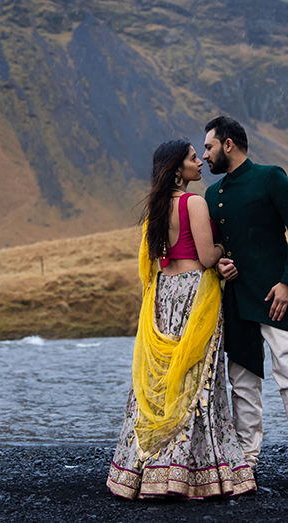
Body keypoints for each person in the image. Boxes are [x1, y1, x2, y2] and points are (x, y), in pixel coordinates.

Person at [107, 139, 256, 499]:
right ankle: (194, 471)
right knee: (196, 376)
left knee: (162, 378)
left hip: (163, 294)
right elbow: (206, 257)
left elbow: (156, 258)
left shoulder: (156, 209)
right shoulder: (194, 203)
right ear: (177, 169)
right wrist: (224, 250)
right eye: (193, 158)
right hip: (193, 294)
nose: (199, 162)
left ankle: (142, 470)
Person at [201, 115, 288, 491]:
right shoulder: (211, 195)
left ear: (229, 144)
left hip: (277, 298)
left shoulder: (271, 177)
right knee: (243, 382)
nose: (205, 155)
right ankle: (246, 462)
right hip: (236, 299)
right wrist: (220, 264)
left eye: (209, 147)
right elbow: (218, 248)